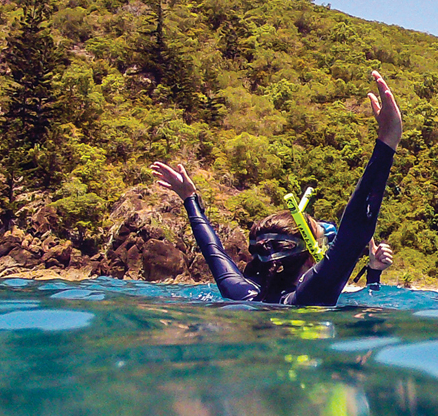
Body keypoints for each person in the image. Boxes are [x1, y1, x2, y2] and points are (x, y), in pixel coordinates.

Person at [150, 70, 401, 305]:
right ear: (310, 255)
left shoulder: (240, 292)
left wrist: (189, 197)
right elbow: (352, 235)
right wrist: (387, 143)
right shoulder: (308, 296)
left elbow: (212, 248)